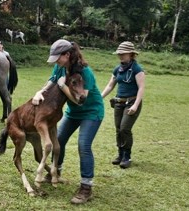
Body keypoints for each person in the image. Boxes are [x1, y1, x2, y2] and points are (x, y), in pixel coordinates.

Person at [32, 39, 104, 204]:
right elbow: (52, 80)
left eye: (58, 57)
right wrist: (40, 91)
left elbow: (81, 100)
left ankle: (86, 187)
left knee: (83, 145)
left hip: (91, 112)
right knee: (60, 140)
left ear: (67, 54)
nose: (56, 61)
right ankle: (55, 172)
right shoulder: (61, 66)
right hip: (73, 113)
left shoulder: (85, 72)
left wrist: (63, 86)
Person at [101, 41, 145, 169]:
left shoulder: (137, 69)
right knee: (118, 129)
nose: (120, 56)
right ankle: (120, 155)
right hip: (119, 102)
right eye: (119, 53)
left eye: (123, 53)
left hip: (132, 102)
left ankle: (127, 156)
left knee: (125, 128)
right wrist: (100, 97)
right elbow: (110, 85)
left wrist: (135, 105)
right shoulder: (118, 69)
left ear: (131, 54)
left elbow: (141, 88)